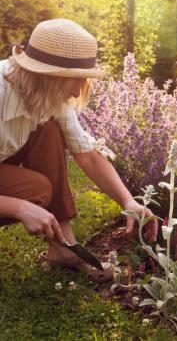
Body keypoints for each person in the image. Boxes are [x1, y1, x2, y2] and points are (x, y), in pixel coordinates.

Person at [0, 19, 158, 282]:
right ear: (46, 75)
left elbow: (88, 156)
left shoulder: (44, 95)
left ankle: (64, 248)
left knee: (49, 130)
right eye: (73, 79)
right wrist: (18, 207)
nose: (76, 91)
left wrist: (129, 202)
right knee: (35, 191)